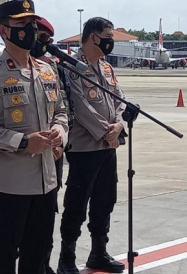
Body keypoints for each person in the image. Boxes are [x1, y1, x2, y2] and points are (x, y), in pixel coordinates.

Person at [0, 0, 68, 274]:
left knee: (39, 252)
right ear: (4, 30)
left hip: (46, 181)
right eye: (22, 23)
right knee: (4, 253)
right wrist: (22, 142)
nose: (30, 29)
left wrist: (60, 132)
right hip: (9, 185)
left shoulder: (47, 71)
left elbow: (60, 111)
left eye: (32, 23)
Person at [57, 17, 126, 274]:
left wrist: (118, 126)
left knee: (104, 201)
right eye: (108, 35)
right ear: (93, 36)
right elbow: (78, 104)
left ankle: (99, 252)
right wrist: (104, 132)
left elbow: (120, 99)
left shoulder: (106, 68)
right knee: (76, 205)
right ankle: (67, 258)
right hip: (85, 148)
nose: (111, 40)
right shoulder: (71, 66)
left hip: (108, 147)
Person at [30, 17, 73, 274]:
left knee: (47, 215)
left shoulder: (52, 68)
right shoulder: (1, 69)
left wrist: (62, 143)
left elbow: (64, 108)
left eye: (47, 40)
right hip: (22, 157)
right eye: (40, 38)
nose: (44, 44)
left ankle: (44, 264)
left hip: (52, 153)